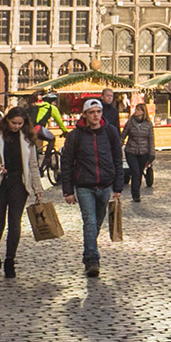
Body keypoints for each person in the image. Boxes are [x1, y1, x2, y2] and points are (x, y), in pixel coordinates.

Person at [0, 104, 48, 279]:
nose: (16, 126)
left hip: (19, 185)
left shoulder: (28, 139)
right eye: (14, 123)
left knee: (15, 223)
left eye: (20, 123)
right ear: (7, 120)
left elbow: (33, 165)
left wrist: (37, 188)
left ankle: (10, 260)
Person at [60, 99, 124, 278]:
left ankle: (89, 249)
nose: (96, 115)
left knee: (97, 222)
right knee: (90, 221)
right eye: (92, 112)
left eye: (98, 111)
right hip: (84, 186)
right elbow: (66, 163)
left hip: (105, 185)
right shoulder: (75, 136)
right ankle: (92, 260)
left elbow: (118, 159)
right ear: (85, 115)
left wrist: (118, 186)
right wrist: (68, 190)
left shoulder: (110, 132)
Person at [122, 102, 157, 202]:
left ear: (143, 112)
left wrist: (152, 153)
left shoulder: (148, 124)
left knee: (139, 173)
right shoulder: (130, 122)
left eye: (138, 110)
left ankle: (136, 192)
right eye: (136, 109)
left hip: (143, 152)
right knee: (135, 172)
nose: (136, 111)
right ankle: (135, 194)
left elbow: (151, 140)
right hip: (131, 151)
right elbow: (123, 135)